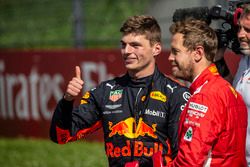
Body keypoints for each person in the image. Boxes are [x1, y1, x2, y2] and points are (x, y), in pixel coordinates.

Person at [50, 15, 190, 167]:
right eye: (123, 45)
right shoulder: (104, 92)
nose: (126, 51)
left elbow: (185, 157)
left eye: (135, 45)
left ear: (156, 49)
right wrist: (67, 100)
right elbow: (60, 136)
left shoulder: (175, 94)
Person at [159, 19, 247, 166]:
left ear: (198, 53)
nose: (170, 57)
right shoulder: (230, 90)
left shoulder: (204, 96)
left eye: (176, 52)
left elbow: (189, 162)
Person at [214, 4, 250, 166]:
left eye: (248, 30)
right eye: (239, 28)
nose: (240, 35)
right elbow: (232, 93)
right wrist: (219, 59)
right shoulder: (245, 60)